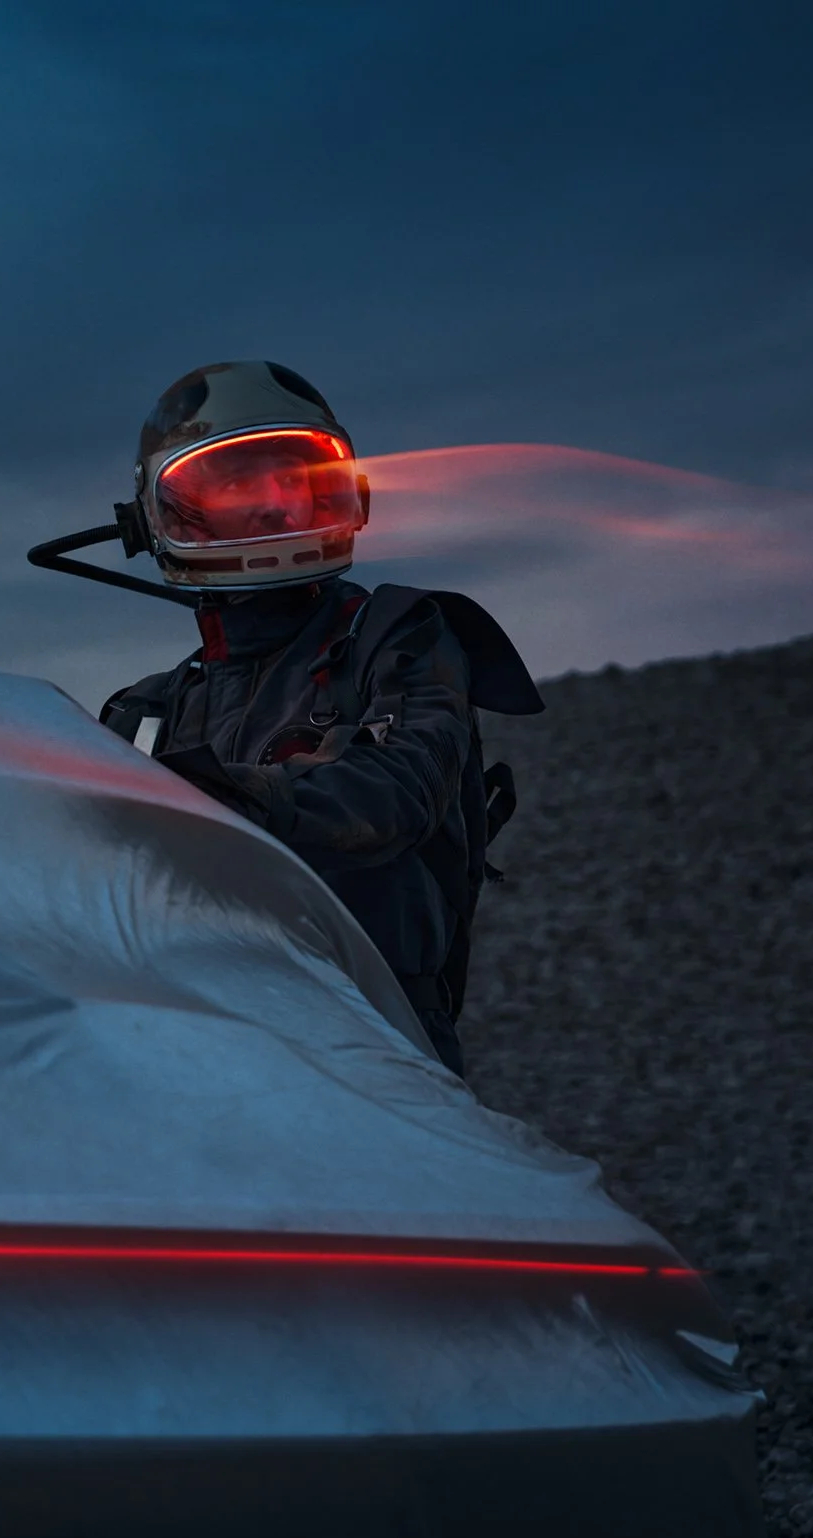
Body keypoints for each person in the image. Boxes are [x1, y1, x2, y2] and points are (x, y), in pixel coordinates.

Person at [93, 361, 543, 1076]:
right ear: (162, 513)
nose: (275, 508)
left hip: (377, 1051)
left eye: (298, 481)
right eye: (237, 485)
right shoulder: (145, 713)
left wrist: (231, 800)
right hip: (188, 1056)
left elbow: (398, 789)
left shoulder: (403, 635)